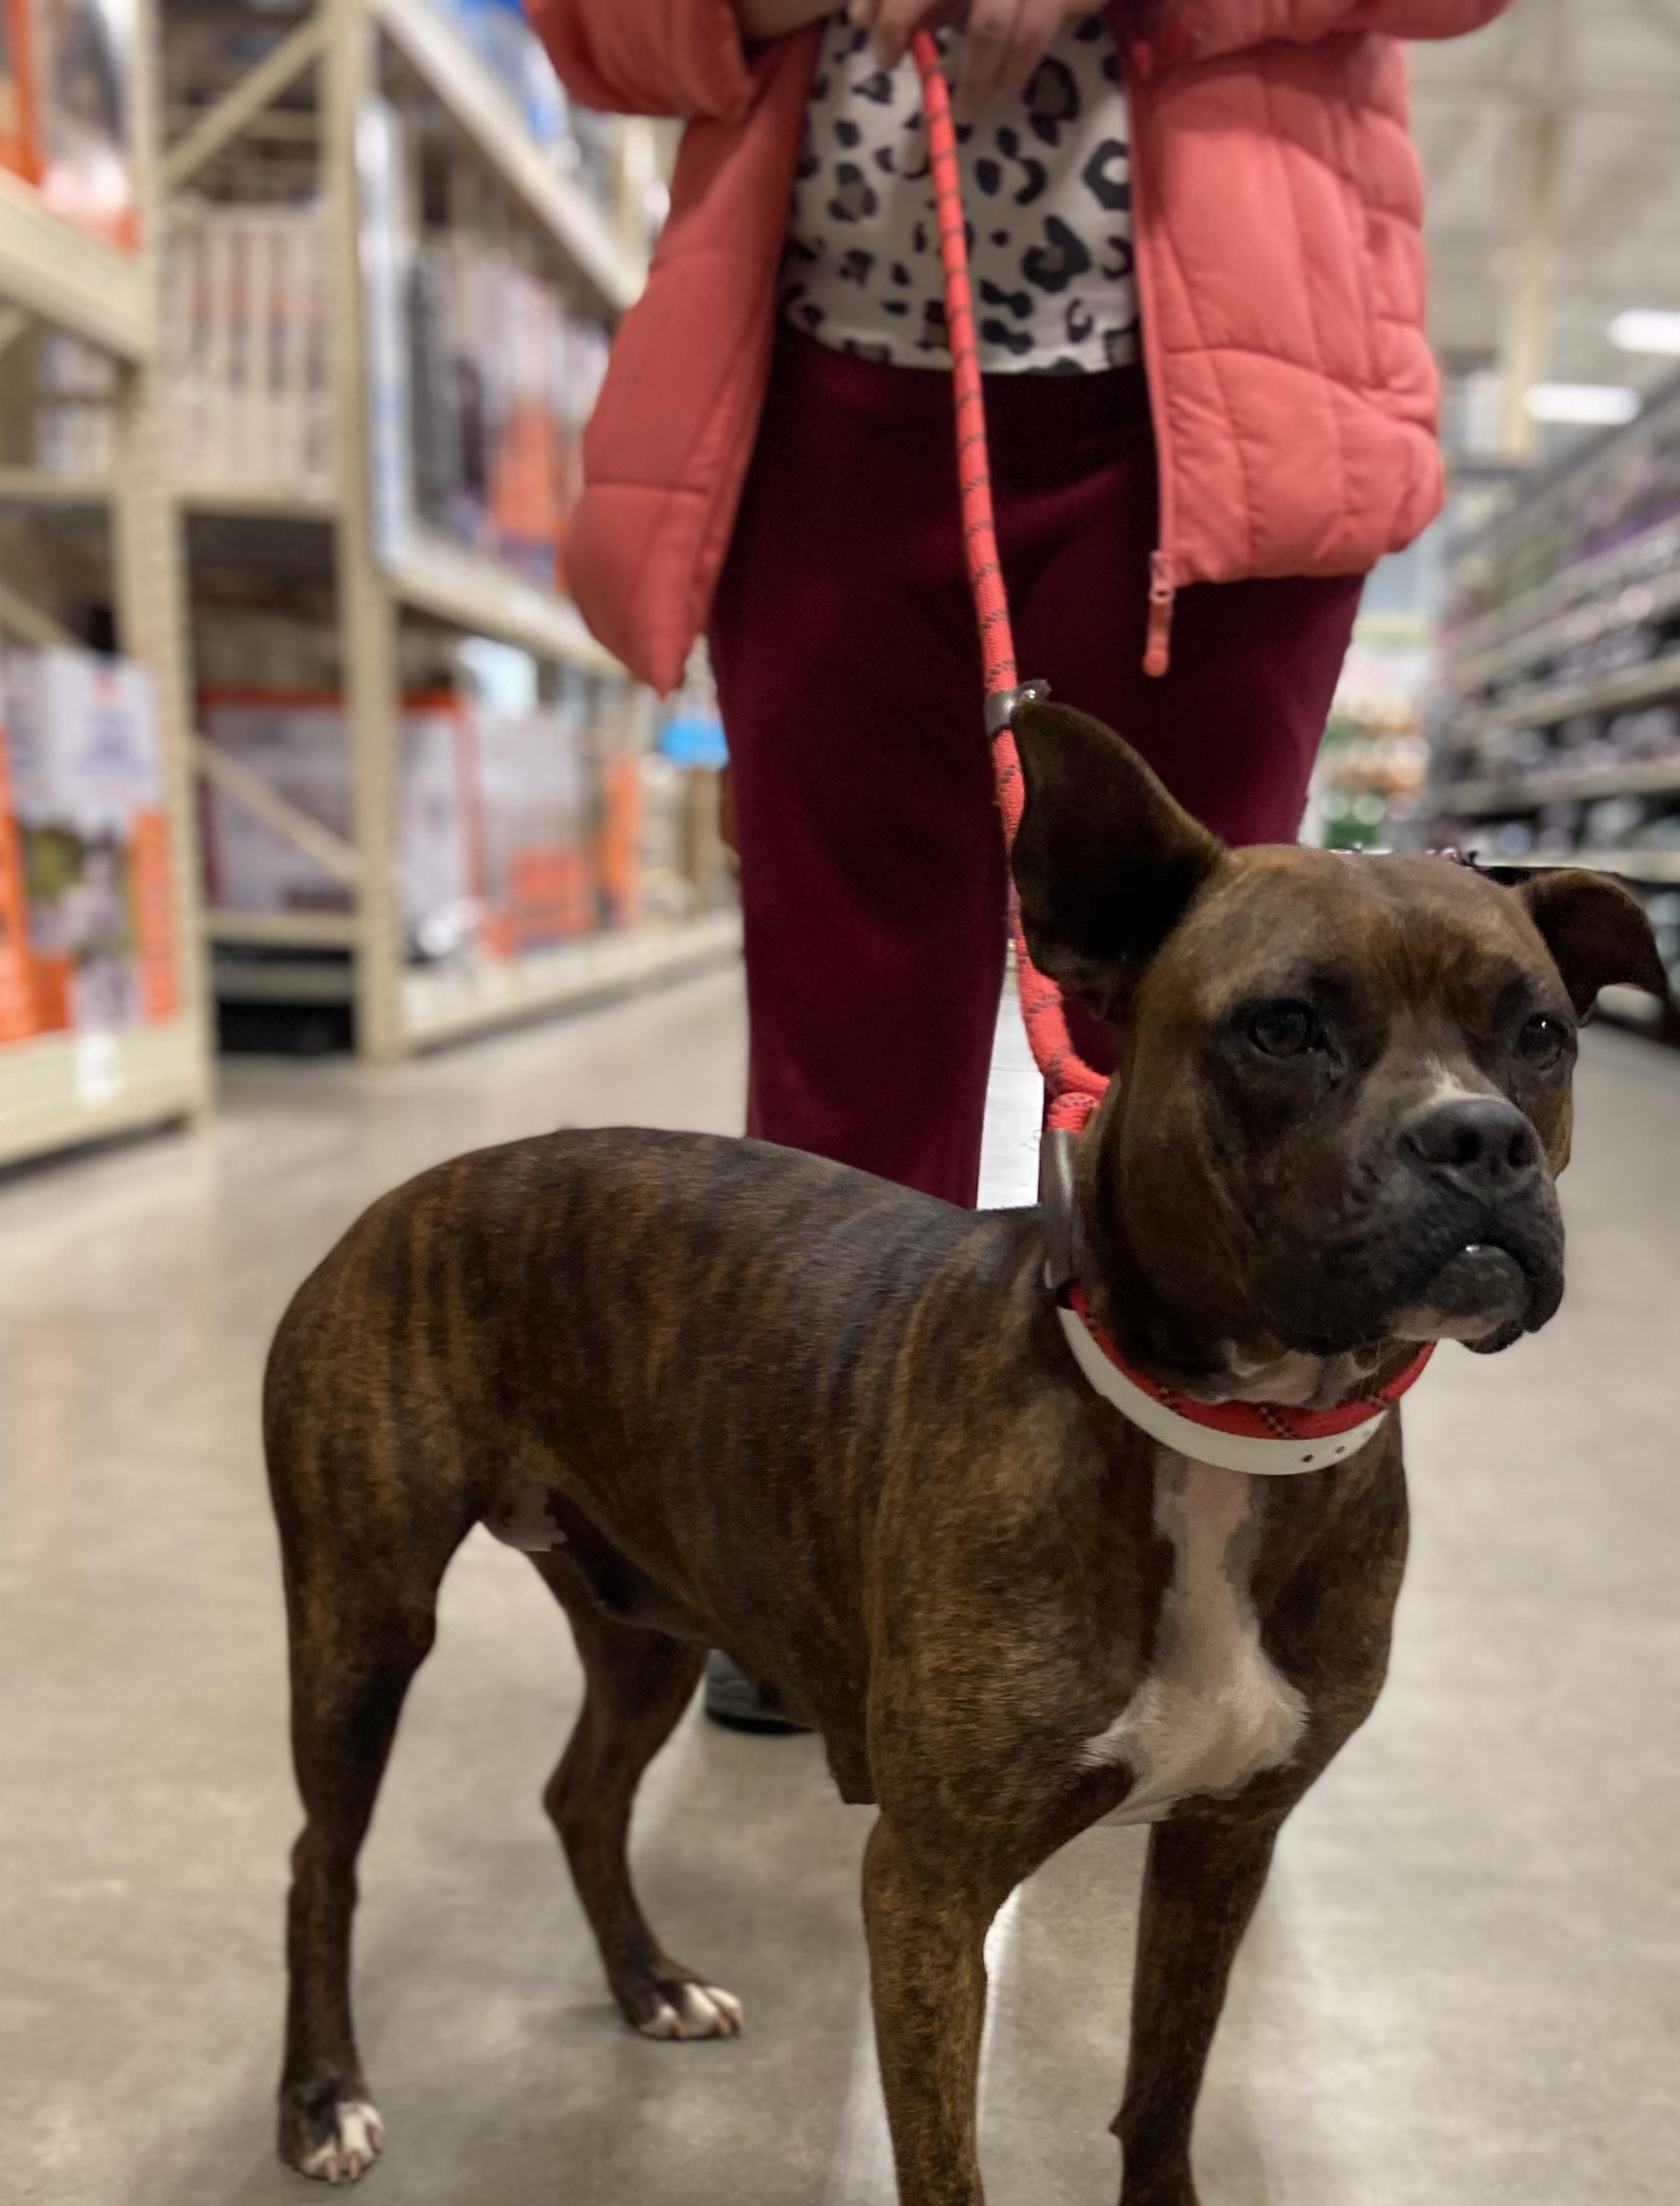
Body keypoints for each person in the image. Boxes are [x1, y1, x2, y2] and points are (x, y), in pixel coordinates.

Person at [532, 0, 1506, 1723]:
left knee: (1231, 1039)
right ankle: (834, 1545)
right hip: (821, 396)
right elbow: (599, 35)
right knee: (843, 1037)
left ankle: (1226, 1566)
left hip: (1218, 412)